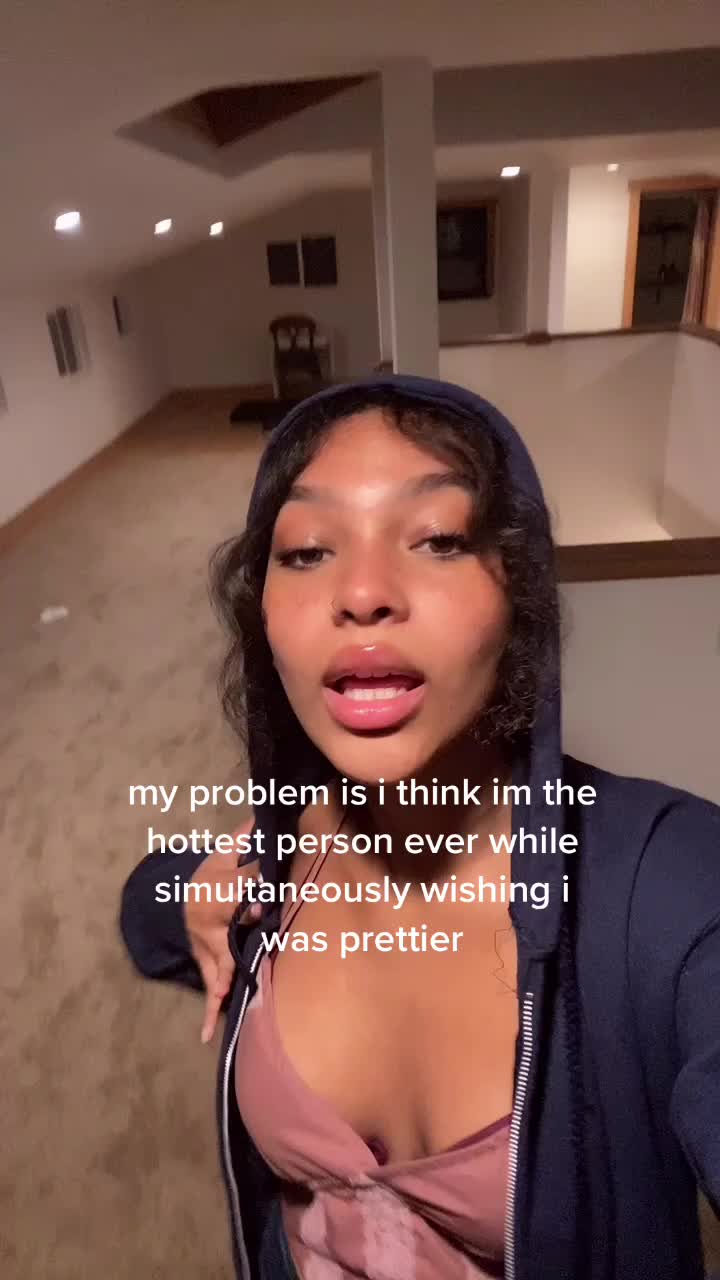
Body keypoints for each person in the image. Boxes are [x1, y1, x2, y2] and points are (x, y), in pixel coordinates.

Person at [120, 375, 720, 1280]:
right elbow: (144, 907)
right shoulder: (279, 853)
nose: (363, 592)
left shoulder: (669, 886)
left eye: (439, 539)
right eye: (308, 551)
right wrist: (196, 888)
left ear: (520, 592)